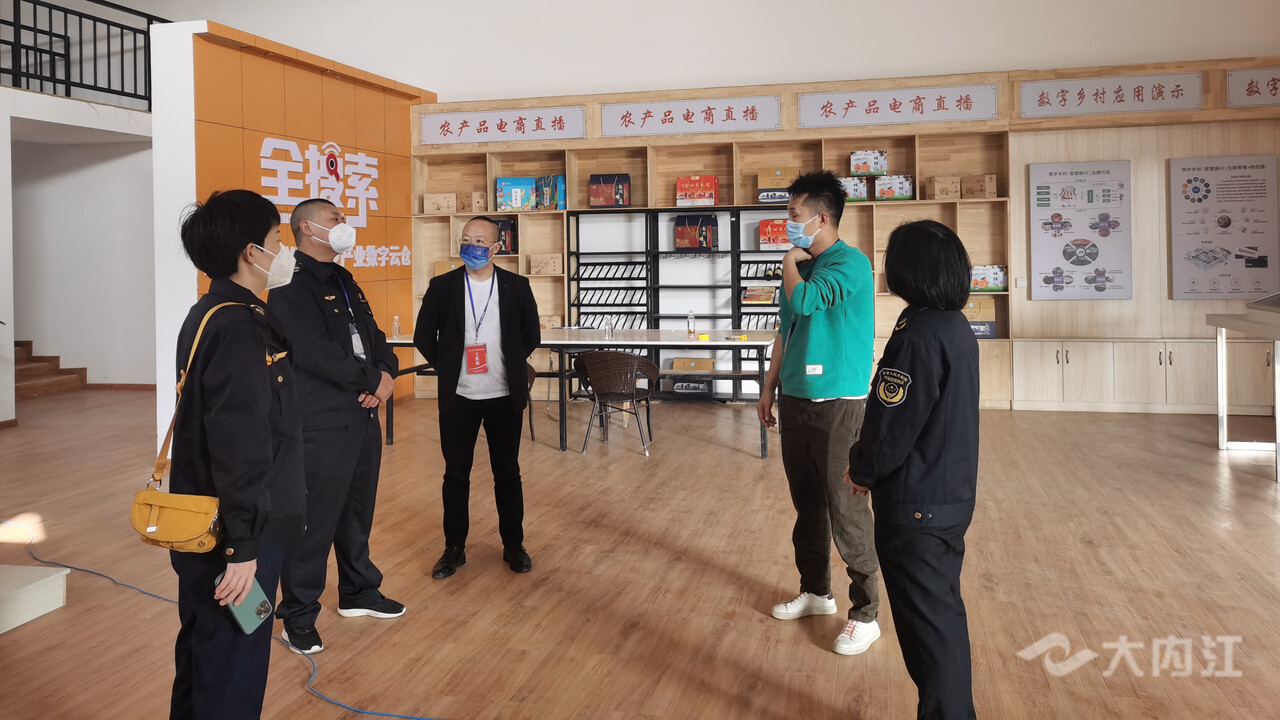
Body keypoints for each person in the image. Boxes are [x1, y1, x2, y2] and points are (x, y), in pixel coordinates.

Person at [169, 190, 306, 719]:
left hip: (211, 522)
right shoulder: (239, 327)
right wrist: (243, 547)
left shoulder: (210, 313)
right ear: (252, 252)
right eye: (277, 239)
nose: (283, 251)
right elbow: (241, 443)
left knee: (205, 658)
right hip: (237, 535)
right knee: (233, 666)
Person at [846, 220, 980, 719]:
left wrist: (862, 470)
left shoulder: (919, 336)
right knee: (940, 620)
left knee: (928, 632)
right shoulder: (949, 324)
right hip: (945, 495)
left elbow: (891, 425)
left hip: (918, 505)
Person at [269, 198, 405, 655]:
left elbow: (374, 337)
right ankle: (298, 615)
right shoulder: (289, 282)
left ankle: (359, 591)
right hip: (321, 421)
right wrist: (370, 380)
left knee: (357, 511)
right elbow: (312, 351)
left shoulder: (344, 279)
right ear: (308, 228)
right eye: (335, 219)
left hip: (362, 413)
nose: (344, 225)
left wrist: (385, 375)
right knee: (315, 520)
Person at [756, 170, 880, 655]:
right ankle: (816, 592)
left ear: (821, 218)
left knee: (846, 509)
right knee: (807, 505)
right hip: (796, 399)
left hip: (839, 404)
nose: (787, 223)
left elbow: (806, 303)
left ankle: (866, 613)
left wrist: (789, 259)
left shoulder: (851, 264)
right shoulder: (800, 268)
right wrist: (769, 388)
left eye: (793, 214)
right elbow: (784, 332)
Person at [414, 216, 541, 578]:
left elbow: (531, 334)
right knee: (455, 474)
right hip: (460, 396)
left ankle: (514, 545)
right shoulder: (443, 286)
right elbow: (424, 336)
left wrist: (509, 363)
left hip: (503, 394)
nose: (471, 246)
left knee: (508, 472)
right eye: (466, 239)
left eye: (480, 241)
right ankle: (453, 549)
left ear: (496, 247)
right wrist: (449, 367)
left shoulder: (517, 286)